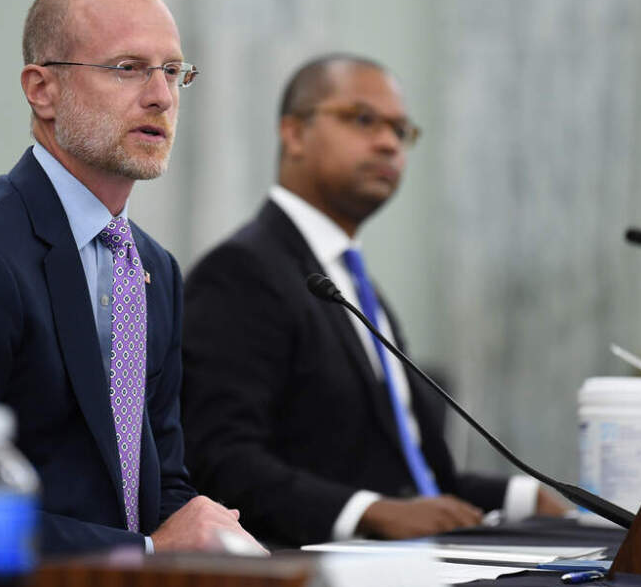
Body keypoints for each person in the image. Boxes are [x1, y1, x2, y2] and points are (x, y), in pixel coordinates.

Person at [0, 0, 264, 564]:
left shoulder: (152, 269)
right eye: (128, 68)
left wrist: (209, 537)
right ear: (42, 89)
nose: (161, 97)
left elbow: (161, 482)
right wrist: (148, 551)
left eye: (173, 71)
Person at [181, 54, 565, 548]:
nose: (388, 142)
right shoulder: (242, 271)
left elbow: (421, 482)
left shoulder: (352, 282)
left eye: (401, 130)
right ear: (294, 133)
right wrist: (368, 512)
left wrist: (524, 495)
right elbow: (221, 460)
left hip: (420, 557)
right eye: (362, 120)